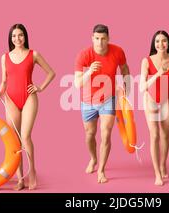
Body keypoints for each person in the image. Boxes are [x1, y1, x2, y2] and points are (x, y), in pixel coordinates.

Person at [0, 24, 55, 190]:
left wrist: (40, 87)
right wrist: (0, 91)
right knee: (15, 139)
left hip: (29, 97)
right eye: (14, 36)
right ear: (10, 38)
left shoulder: (33, 54)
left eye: (20, 35)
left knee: (26, 136)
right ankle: (20, 178)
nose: (17, 39)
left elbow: (51, 72)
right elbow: (4, 80)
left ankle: (32, 171)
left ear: (25, 36)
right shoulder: (4, 57)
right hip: (10, 98)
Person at [74, 24, 131, 183]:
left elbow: (125, 69)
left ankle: (101, 170)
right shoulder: (83, 55)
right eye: (97, 39)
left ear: (108, 39)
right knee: (90, 134)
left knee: (106, 133)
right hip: (88, 100)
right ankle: (93, 159)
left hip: (108, 98)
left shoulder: (117, 51)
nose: (100, 42)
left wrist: (127, 89)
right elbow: (77, 83)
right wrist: (90, 71)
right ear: (92, 38)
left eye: (103, 39)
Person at [139, 30, 169, 186]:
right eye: (157, 41)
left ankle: (162, 163)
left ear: (168, 43)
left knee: (165, 134)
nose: (161, 44)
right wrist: (157, 74)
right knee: (154, 135)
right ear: (154, 43)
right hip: (150, 99)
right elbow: (142, 87)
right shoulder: (146, 61)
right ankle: (157, 173)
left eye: (164, 41)